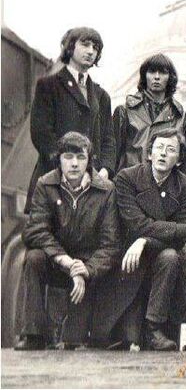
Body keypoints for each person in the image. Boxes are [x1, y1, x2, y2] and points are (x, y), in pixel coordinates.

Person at [94, 128, 186, 350]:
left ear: (178, 160)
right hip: (128, 257)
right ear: (149, 154)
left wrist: (145, 241)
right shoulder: (127, 178)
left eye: (170, 150)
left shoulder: (185, 185)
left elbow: (175, 241)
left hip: (159, 254)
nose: (163, 154)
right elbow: (135, 225)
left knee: (170, 257)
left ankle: (154, 327)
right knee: (122, 337)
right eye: (159, 148)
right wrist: (184, 230)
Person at [15, 132, 120, 350]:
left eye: (80, 158)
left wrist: (86, 270)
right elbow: (36, 230)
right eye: (68, 157)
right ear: (59, 159)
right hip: (57, 262)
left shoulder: (106, 190)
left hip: (88, 269)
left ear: (89, 160)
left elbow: (110, 244)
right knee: (33, 258)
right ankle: (33, 334)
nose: (74, 163)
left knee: (75, 341)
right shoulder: (45, 184)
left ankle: (88, 331)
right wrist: (65, 261)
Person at [26, 27, 115, 212]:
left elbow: (108, 139)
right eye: (85, 44)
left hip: (90, 186)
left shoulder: (101, 95)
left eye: (95, 47)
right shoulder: (48, 86)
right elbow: (41, 134)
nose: (91, 51)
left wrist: (105, 170)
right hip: (54, 182)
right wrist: (67, 169)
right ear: (70, 47)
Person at [113, 53, 186, 172]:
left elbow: (182, 156)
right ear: (144, 76)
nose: (157, 77)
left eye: (163, 72)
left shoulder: (179, 114)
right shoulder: (125, 110)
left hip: (163, 181)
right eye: (152, 72)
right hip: (130, 180)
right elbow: (113, 152)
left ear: (170, 77)